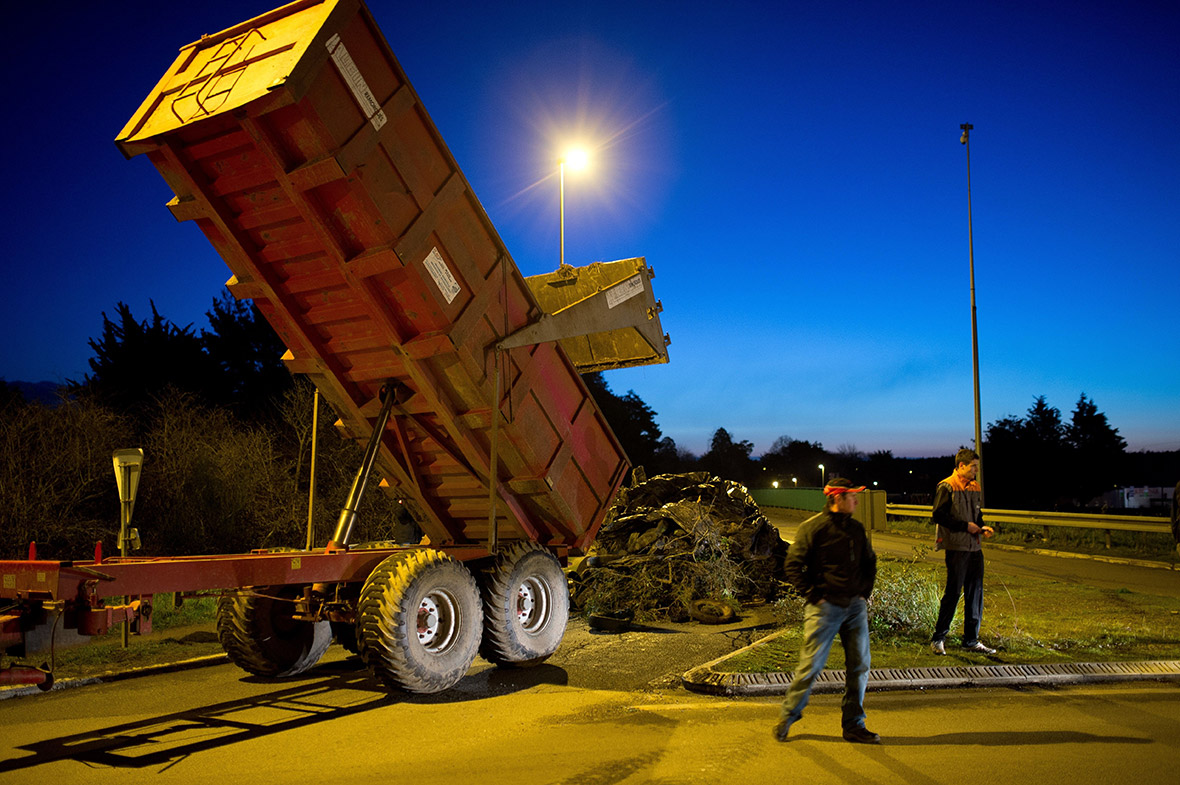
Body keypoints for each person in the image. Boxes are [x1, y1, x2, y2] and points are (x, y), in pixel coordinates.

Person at [775, 478, 879, 744]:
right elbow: (793, 565)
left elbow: (870, 562)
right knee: (811, 665)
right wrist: (813, 596)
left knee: (860, 666)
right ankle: (789, 715)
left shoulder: (856, 529)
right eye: (851, 497)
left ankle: (854, 725)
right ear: (837, 499)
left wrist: (863, 592)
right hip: (825, 608)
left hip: (854, 607)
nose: (856, 501)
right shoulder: (813, 528)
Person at [930, 448, 996, 655]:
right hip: (957, 547)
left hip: (975, 547)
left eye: (977, 466)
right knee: (953, 592)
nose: (976, 470)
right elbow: (938, 515)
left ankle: (971, 640)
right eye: (973, 466)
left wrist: (981, 526)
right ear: (961, 466)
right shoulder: (947, 486)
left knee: (975, 593)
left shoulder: (975, 486)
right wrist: (965, 527)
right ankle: (938, 638)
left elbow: (976, 514)